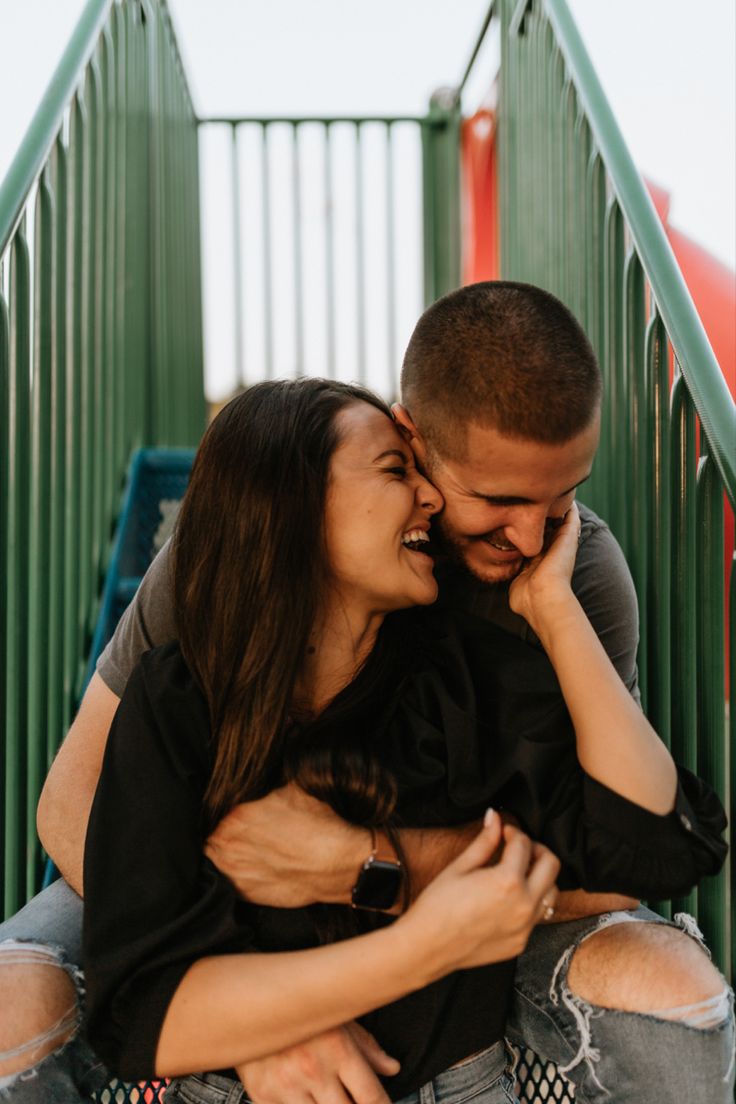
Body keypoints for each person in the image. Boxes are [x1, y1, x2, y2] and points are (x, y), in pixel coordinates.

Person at [0, 282, 732, 1103]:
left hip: (449, 1012)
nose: (536, 537)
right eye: (498, 500)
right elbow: (74, 806)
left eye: (562, 496)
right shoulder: (207, 621)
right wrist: (264, 1012)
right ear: (411, 442)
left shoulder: (537, 607)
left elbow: (632, 849)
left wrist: (368, 866)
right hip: (220, 973)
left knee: (676, 992)